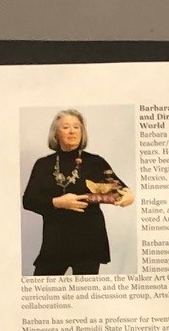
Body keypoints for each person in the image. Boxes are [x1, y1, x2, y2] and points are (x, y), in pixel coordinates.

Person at [21, 110, 133, 277]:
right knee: (42, 287)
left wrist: (129, 196)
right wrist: (58, 202)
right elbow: (28, 201)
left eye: (76, 127)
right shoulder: (43, 164)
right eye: (66, 127)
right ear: (56, 133)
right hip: (55, 241)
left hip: (89, 241)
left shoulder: (96, 162)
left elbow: (120, 189)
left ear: (82, 132)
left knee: (85, 292)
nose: (72, 131)